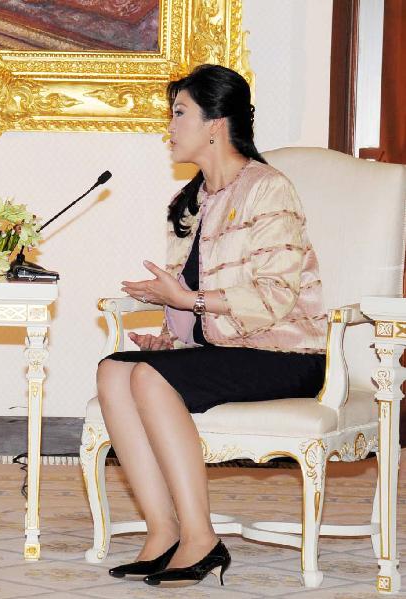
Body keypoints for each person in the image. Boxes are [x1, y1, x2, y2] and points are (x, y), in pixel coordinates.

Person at [96, 64, 326, 587]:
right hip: (230, 349)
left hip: (288, 353)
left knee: (150, 377)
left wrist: (189, 299)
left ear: (215, 124)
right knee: (114, 371)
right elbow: (196, 304)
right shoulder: (193, 202)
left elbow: (275, 297)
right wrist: (172, 333)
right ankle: (164, 531)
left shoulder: (268, 190)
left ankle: (201, 537)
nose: (169, 128)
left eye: (179, 114)